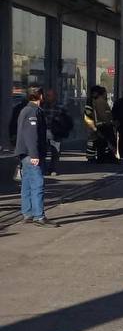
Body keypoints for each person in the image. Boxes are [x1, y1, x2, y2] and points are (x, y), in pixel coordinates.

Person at [15, 87, 57, 227]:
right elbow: (31, 135)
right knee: (38, 183)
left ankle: (27, 213)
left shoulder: (28, 110)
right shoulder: (32, 111)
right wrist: (34, 154)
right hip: (31, 154)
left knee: (27, 184)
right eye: (43, 94)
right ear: (39, 96)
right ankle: (39, 216)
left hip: (25, 153)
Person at [43, 89, 73, 176]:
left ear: (55, 96)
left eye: (49, 95)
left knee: (55, 152)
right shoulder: (43, 106)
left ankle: (52, 169)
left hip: (56, 132)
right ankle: (44, 168)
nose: (47, 97)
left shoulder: (61, 107)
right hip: (45, 131)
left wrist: (63, 127)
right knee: (43, 151)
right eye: (47, 95)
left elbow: (68, 120)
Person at [84, 86, 117, 164]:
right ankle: (94, 157)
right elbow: (99, 114)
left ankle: (93, 157)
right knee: (95, 141)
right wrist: (108, 122)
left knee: (96, 141)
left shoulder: (93, 101)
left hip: (95, 124)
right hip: (95, 124)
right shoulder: (97, 101)